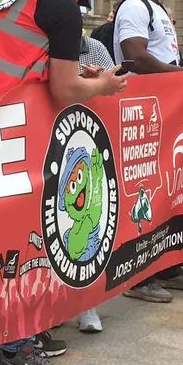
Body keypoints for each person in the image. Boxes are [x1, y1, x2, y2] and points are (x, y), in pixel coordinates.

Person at [0, 0, 130, 365]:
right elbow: (66, 89)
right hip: (8, 128)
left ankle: (24, 327)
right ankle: (16, 350)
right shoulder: (62, 4)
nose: (79, 2)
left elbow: (20, 51)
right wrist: (102, 84)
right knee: (24, 236)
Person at [113, 0, 183, 302]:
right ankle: (138, 274)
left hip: (164, 108)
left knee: (167, 184)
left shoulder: (156, 9)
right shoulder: (135, 7)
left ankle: (165, 264)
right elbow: (135, 55)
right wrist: (181, 75)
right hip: (144, 109)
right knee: (144, 189)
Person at [74, 31, 116, 334]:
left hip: (90, 139)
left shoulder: (94, 47)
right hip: (52, 142)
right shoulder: (41, 46)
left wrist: (99, 80)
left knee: (90, 222)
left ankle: (86, 303)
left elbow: (117, 83)